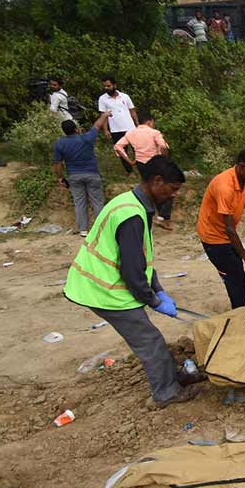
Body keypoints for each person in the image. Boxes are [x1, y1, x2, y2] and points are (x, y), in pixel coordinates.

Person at [63, 156, 200, 408]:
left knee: (150, 337)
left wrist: (158, 288)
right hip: (103, 289)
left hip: (103, 284)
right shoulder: (132, 216)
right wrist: (153, 300)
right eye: (173, 189)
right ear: (157, 181)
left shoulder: (133, 204)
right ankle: (166, 392)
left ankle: (172, 377)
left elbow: (142, 257)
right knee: (150, 340)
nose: (174, 195)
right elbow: (133, 272)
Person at [196, 148, 245, 309]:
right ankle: (240, 312)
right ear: (242, 167)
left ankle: (242, 307)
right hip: (213, 237)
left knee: (238, 274)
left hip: (228, 234)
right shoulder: (224, 187)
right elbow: (229, 229)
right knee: (234, 276)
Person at [53, 111, 111, 236]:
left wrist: (60, 177)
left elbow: (58, 164)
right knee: (97, 202)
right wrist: (105, 115)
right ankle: (101, 228)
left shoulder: (59, 143)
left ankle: (83, 230)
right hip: (92, 174)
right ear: (76, 129)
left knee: (79, 203)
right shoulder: (86, 138)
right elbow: (97, 125)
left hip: (73, 176)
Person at [113, 110, 172, 229]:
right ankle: (162, 218)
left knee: (148, 188)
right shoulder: (154, 132)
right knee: (167, 188)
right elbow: (163, 146)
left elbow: (118, 147)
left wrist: (129, 161)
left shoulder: (131, 133)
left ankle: (147, 215)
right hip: (155, 163)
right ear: (150, 121)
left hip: (141, 164)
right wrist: (164, 159)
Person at [97, 75, 138, 176]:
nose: (106, 88)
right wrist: (106, 130)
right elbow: (104, 116)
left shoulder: (125, 96)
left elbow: (132, 111)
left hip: (130, 127)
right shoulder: (102, 99)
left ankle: (142, 169)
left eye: (108, 86)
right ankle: (129, 171)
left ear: (114, 85)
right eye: (104, 86)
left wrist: (138, 125)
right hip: (116, 129)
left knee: (137, 148)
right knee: (122, 151)